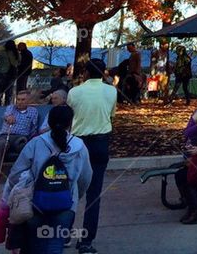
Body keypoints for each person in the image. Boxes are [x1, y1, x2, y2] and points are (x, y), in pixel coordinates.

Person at [3, 105, 92, 254]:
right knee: (55, 245)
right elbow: (85, 178)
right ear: (70, 123)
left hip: (35, 203)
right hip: (66, 205)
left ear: (48, 122)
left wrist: (17, 193)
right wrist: (75, 196)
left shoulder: (36, 143)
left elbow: (15, 174)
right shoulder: (79, 146)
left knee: (33, 244)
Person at [66, 58, 117, 254]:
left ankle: (65, 232)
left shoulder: (75, 92)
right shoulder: (111, 91)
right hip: (101, 142)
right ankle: (86, 241)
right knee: (94, 195)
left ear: (85, 72)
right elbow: (111, 116)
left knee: (72, 191)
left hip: (79, 143)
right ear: (104, 72)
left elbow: (71, 114)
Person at [0, 89, 39, 186]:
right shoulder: (11, 108)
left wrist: (31, 139)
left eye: (23, 100)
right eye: (18, 99)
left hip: (21, 137)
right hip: (6, 135)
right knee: (1, 145)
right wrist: (8, 118)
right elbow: (7, 116)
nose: (20, 102)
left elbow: (33, 128)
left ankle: (20, 175)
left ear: (28, 101)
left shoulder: (33, 111)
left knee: (24, 147)